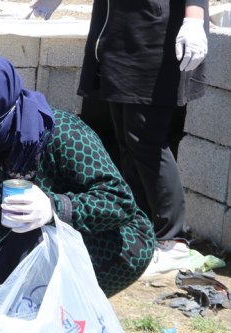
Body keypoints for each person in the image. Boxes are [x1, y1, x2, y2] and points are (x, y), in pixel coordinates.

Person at [0, 51, 155, 333]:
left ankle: (74, 323)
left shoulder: (61, 133)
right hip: (33, 243)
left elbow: (120, 202)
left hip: (112, 243)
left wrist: (54, 207)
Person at [30, 0, 209, 276]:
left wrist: (194, 20)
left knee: (146, 140)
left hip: (153, 41)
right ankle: (140, 227)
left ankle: (173, 240)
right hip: (117, 39)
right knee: (127, 141)